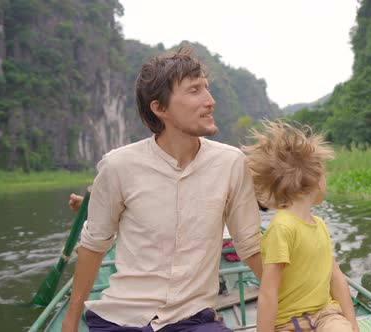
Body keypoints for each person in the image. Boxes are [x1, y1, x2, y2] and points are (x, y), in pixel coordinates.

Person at [62, 47, 262, 332]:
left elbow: (250, 245)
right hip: (122, 318)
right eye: (195, 91)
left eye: (207, 88)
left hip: (192, 319)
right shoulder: (118, 166)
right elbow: (94, 246)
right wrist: (70, 321)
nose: (210, 101)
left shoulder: (230, 163)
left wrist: (293, 300)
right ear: (160, 108)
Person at [242, 121, 360, 332]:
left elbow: (337, 278)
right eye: (324, 173)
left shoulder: (320, 225)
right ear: (314, 178)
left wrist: (353, 324)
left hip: (325, 316)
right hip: (288, 323)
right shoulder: (282, 228)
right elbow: (268, 293)